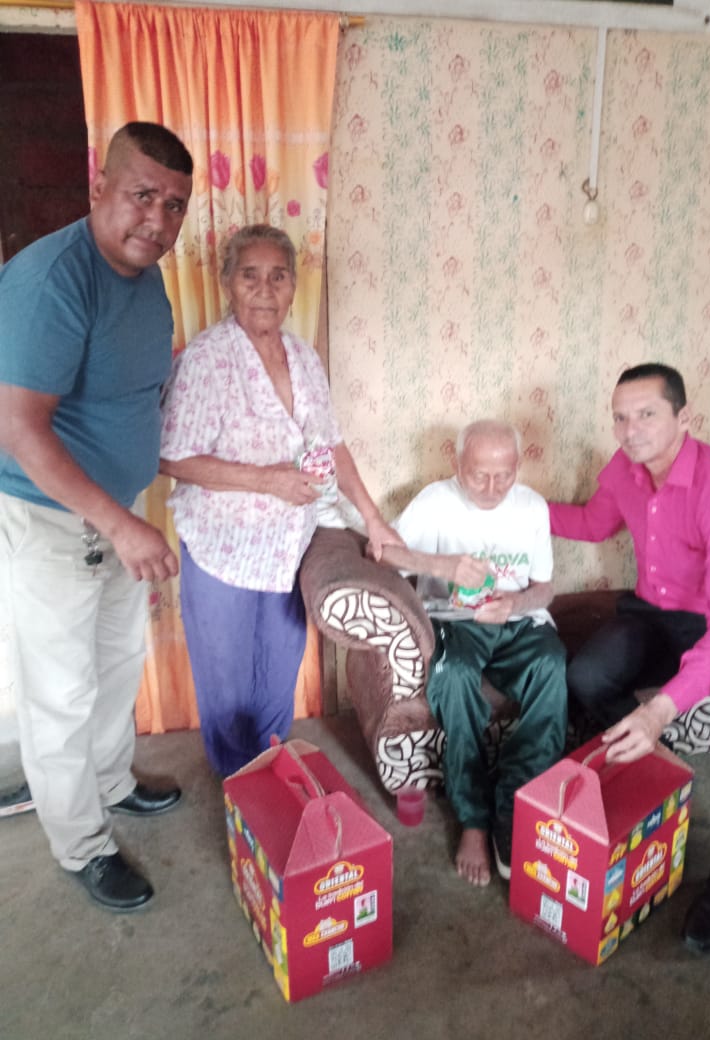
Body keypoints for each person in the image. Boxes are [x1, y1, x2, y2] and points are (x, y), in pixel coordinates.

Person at [0, 122, 194, 912]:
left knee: (117, 664)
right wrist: (119, 523)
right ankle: (80, 843)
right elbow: (19, 428)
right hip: (56, 520)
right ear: (99, 187)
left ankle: (112, 782)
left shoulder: (146, 280)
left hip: (121, 515)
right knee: (61, 693)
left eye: (175, 205)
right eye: (143, 195)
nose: (158, 219)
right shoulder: (51, 281)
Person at [548, 362, 710, 953]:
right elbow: (592, 524)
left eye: (646, 414)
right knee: (586, 673)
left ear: (684, 418)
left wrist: (659, 711)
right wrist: (510, 505)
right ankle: (658, 773)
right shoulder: (624, 470)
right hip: (655, 615)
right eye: (620, 417)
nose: (630, 430)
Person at [159, 223, 400, 778]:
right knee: (227, 685)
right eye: (250, 275)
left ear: (293, 286)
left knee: (276, 677)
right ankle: (239, 789)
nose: (265, 289)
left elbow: (331, 444)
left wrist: (373, 519)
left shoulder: (303, 357)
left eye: (278, 276)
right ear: (227, 283)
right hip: (221, 548)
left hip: (287, 548)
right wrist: (268, 480)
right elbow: (170, 458)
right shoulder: (207, 359)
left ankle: (271, 779)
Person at [376, 420, 568, 887]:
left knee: (552, 665)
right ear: (457, 465)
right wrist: (440, 565)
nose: (492, 488)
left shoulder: (532, 506)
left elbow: (544, 588)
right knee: (455, 676)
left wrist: (515, 605)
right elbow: (379, 551)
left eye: (504, 475)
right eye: (479, 475)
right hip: (454, 621)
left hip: (517, 621)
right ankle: (475, 819)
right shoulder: (434, 501)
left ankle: (514, 805)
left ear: (518, 467)